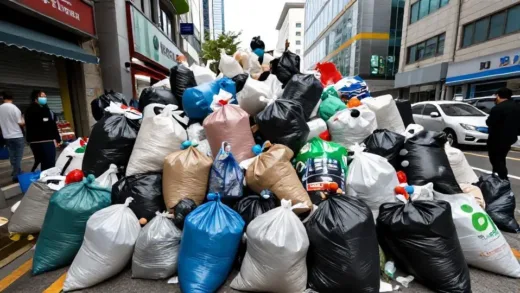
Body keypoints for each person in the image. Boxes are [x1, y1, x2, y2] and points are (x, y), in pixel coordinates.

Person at [486, 87, 520, 180]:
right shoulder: (517, 106)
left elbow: (489, 122)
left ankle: (502, 178)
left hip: (497, 138)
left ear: (498, 96)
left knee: (496, 159)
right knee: (501, 157)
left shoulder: (497, 108)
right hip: (511, 138)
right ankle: (497, 176)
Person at [25, 90, 61, 172]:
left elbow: (51, 124)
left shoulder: (44, 109)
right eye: (42, 96)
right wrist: (57, 137)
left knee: (43, 163)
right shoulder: (35, 110)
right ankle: (47, 180)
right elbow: (50, 125)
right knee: (49, 164)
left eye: (45, 96)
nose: (44, 98)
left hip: (37, 142)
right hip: (44, 141)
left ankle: (44, 178)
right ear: (35, 98)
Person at [0, 92, 25, 182]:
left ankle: (15, 170)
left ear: (3, 98)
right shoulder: (14, 108)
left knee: (12, 155)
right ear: (12, 98)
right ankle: (16, 174)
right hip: (17, 135)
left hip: (6, 136)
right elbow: (20, 123)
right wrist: (23, 119)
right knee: (18, 155)